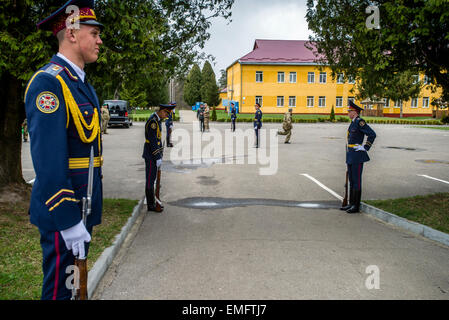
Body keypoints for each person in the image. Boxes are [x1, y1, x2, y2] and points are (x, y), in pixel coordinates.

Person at [23, 0, 104, 300]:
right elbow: (49, 163)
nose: (99, 40)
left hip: (83, 211)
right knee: (60, 293)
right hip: (65, 215)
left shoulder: (81, 84)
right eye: (94, 33)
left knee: (73, 290)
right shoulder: (49, 83)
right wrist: (69, 222)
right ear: (71, 33)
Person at [340, 100, 376, 214]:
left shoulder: (360, 122)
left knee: (357, 181)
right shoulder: (352, 123)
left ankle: (356, 205)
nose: (348, 113)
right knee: (351, 180)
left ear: (354, 112)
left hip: (357, 155)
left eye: (349, 111)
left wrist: (365, 147)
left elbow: (372, 134)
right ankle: (351, 203)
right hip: (351, 154)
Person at [143, 103, 176, 212]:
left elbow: (157, 140)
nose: (166, 116)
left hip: (154, 154)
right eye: (166, 113)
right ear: (161, 111)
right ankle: (151, 205)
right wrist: (157, 156)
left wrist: (159, 154)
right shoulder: (153, 121)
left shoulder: (157, 120)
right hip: (151, 154)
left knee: (152, 179)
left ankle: (153, 202)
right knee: (150, 180)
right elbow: (152, 141)